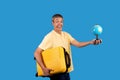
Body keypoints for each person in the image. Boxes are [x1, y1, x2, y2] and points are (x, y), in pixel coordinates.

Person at [34, 14, 101, 80]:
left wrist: (90, 42)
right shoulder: (49, 37)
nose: (59, 24)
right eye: (57, 21)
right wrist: (43, 68)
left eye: (61, 21)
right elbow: (37, 53)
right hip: (56, 73)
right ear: (52, 23)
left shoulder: (66, 35)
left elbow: (78, 44)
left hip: (66, 70)